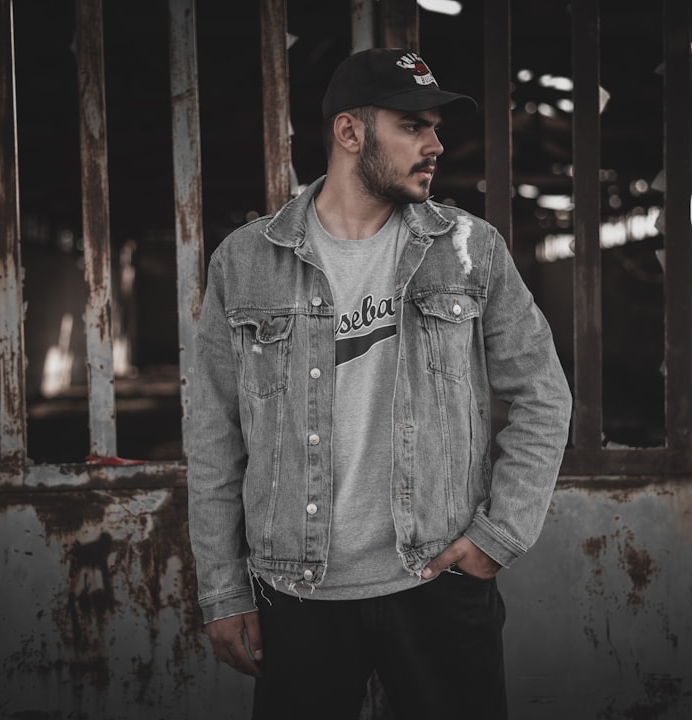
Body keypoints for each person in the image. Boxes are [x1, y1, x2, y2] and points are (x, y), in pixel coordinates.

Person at [187, 47, 572, 720]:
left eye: (435, 129)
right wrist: (223, 591)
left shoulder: (468, 248)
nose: (435, 145)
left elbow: (544, 393)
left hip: (436, 585)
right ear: (350, 133)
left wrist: (497, 537)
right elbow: (215, 437)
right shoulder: (245, 262)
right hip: (297, 596)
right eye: (413, 126)